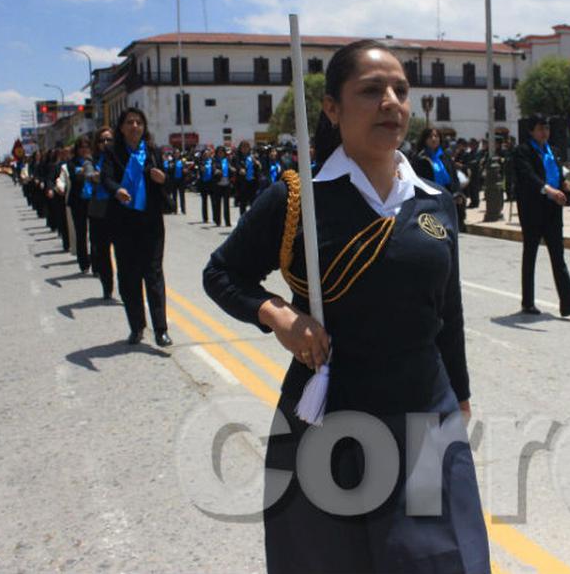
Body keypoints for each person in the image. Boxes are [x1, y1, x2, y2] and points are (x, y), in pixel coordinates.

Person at [203, 39, 490, 574]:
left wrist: (462, 396)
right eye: (371, 91)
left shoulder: (434, 200)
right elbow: (222, 273)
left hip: (425, 418)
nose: (391, 102)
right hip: (328, 421)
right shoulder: (299, 198)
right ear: (332, 109)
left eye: (400, 90)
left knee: (438, 559)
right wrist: (279, 316)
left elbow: (447, 314)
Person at [100, 108, 172, 347]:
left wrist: (163, 179)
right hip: (123, 223)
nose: (134, 126)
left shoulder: (152, 151)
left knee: (154, 275)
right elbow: (106, 178)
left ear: (144, 127)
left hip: (150, 222)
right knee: (129, 278)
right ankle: (137, 327)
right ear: (121, 127)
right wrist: (117, 190)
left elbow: (168, 180)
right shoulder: (112, 152)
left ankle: (161, 329)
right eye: (129, 122)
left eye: (138, 122)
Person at [511, 114, 570, 318]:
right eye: (540, 128)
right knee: (531, 255)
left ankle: (568, 305)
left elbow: (555, 173)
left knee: (558, 256)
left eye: (546, 128)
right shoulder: (523, 151)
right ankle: (528, 302)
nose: (544, 132)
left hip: (553, 208)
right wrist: (548, 190)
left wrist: (563, 185)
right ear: (531, 131)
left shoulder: (554, 151)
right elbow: (528, 176)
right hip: (533, 208)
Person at [412, 127, 467, 231]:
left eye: (436, 136)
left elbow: (454, 177)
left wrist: (458, 192)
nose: (433, 139)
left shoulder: (445, 156)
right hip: (430, 200)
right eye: (430, 136)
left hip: (448, 197)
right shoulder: (420, 158)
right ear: (425, 139)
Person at [85, 127, 115, 299]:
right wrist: (94, 175)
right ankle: (107, 286)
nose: (105, 143)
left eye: (109, 140)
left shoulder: (120, 158)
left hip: (117, 211)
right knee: (101, 253)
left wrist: (101, 176)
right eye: (102, 140)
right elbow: (90, 173)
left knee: (124, 253)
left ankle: (127, 288)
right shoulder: (92, 159)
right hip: (97, 212)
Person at [68, 137, 93, 273]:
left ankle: (96, 263)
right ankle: (84, 263)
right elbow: (74, 176)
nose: (84, 149)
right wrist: (84, 171)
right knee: (81, 233)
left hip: (92, 201)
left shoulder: (93, 160)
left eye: (87, 146)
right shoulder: (72, 163)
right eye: (81, 147)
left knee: (94, 234)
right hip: (78, 202)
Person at [233, 140, 260, 215]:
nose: (245, 148)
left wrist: (257, 164)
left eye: (247, 147)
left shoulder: (252, 157)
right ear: (240, 148)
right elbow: (236, 165)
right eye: (243, 147)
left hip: (252, 182)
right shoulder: (237, 157)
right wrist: (239, 169)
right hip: (242, 183)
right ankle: (243, 220)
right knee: (243, 203)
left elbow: (257, 168)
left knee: (253, 203)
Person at [210, 145, 233, 226]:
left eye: (222, 152)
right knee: (217, 204)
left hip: (226, 183)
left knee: (226, 204)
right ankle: (217, 221)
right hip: (218, 184)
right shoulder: (214, 160)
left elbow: (231, 168)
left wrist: (232, 169)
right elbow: (213, 168)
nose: (221, 153)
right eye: (219, 152)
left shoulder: (227, 160)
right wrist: (216, 170)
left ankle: (227, 221)